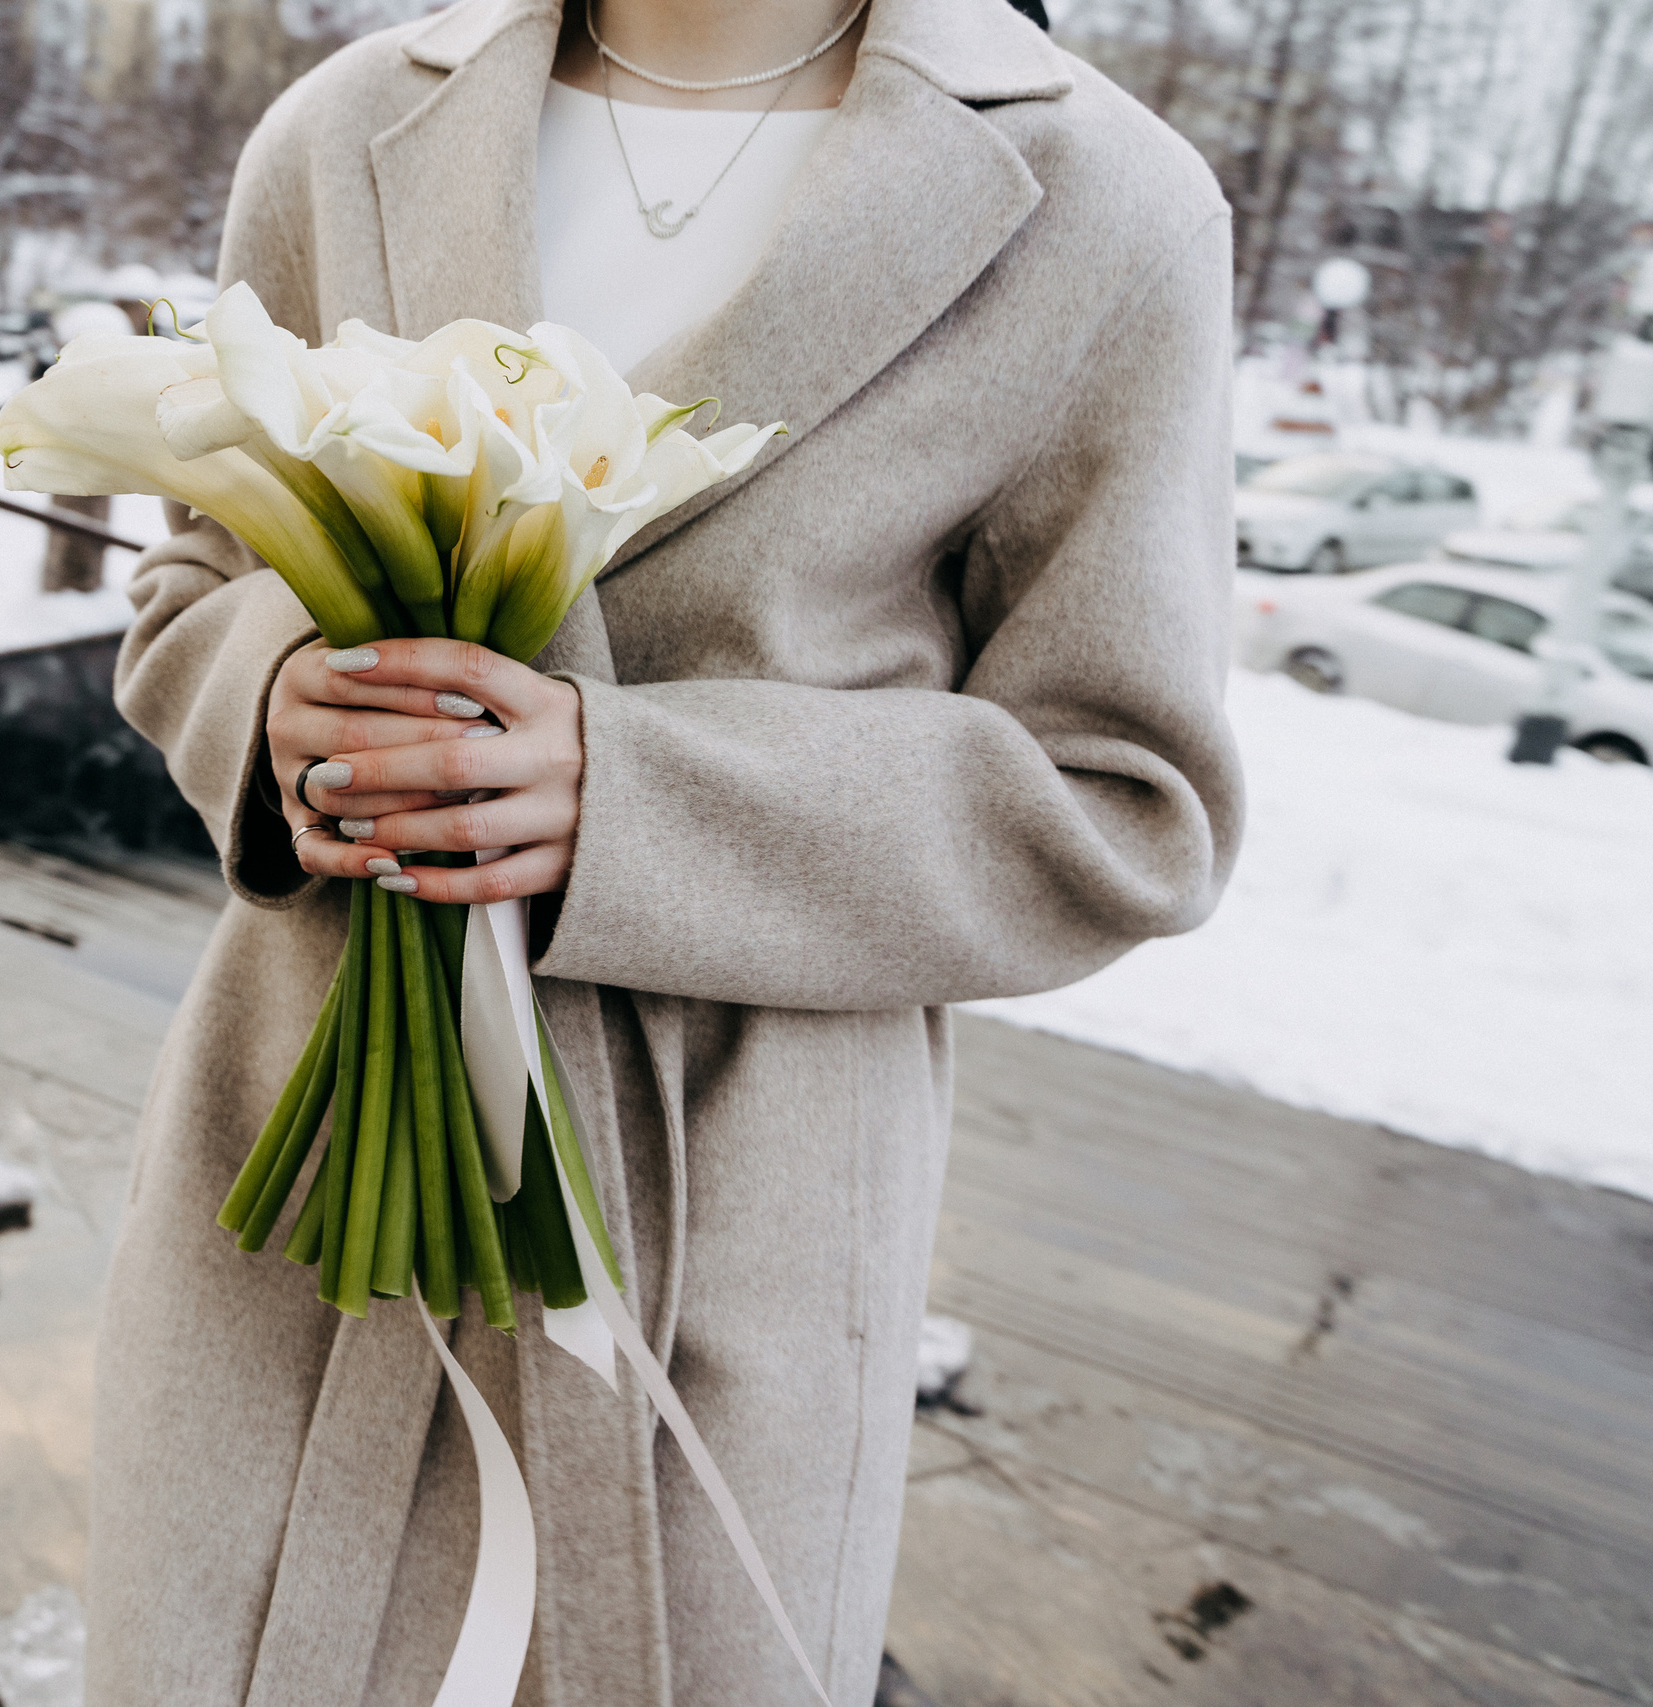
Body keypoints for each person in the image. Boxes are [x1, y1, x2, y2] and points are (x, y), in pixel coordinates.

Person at [89, 0, 1241, 1699]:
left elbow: (1123, 801)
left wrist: (632, 799)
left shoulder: (1109, 196)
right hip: (303, 1145)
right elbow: (188, 588)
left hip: (738, 1201)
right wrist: (275, 698)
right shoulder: (344, 126)